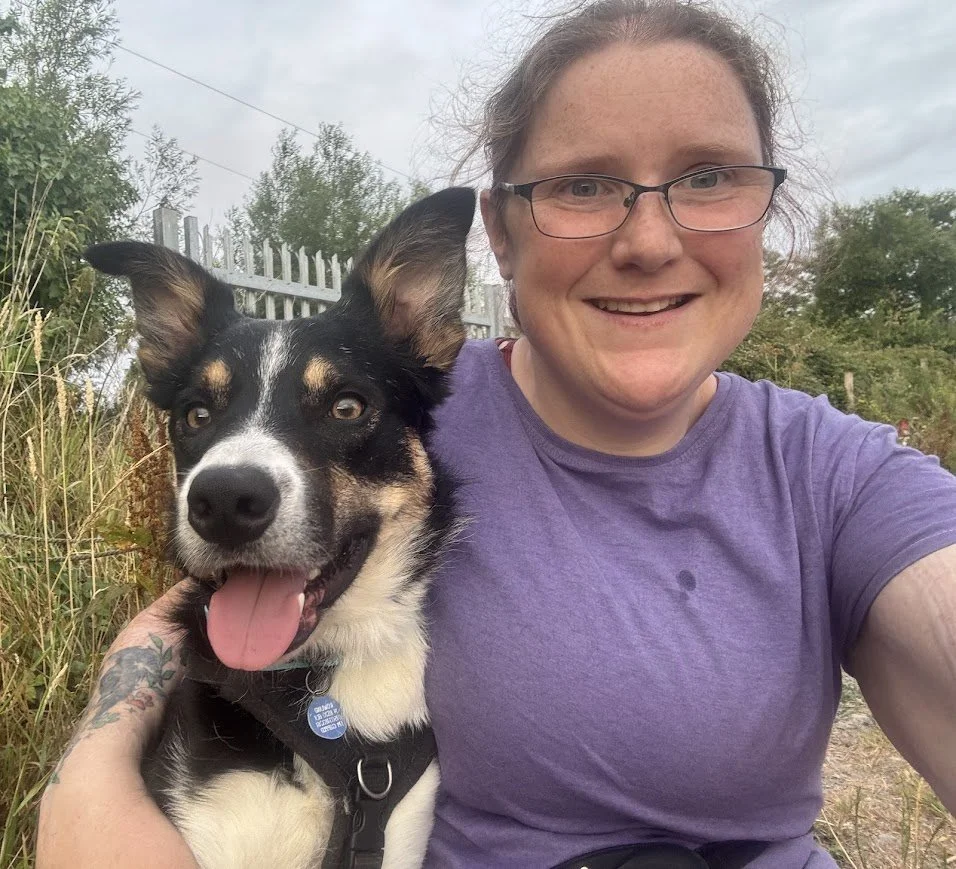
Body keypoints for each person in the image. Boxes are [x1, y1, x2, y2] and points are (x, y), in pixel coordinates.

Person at [37, 1, 956, 867]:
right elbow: (193, 607)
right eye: (584, 185)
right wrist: (90, 779)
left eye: (707, 176)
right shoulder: (419, 401)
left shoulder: (842, 475)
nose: (646, 240)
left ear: (768, 207)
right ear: (501, 235)